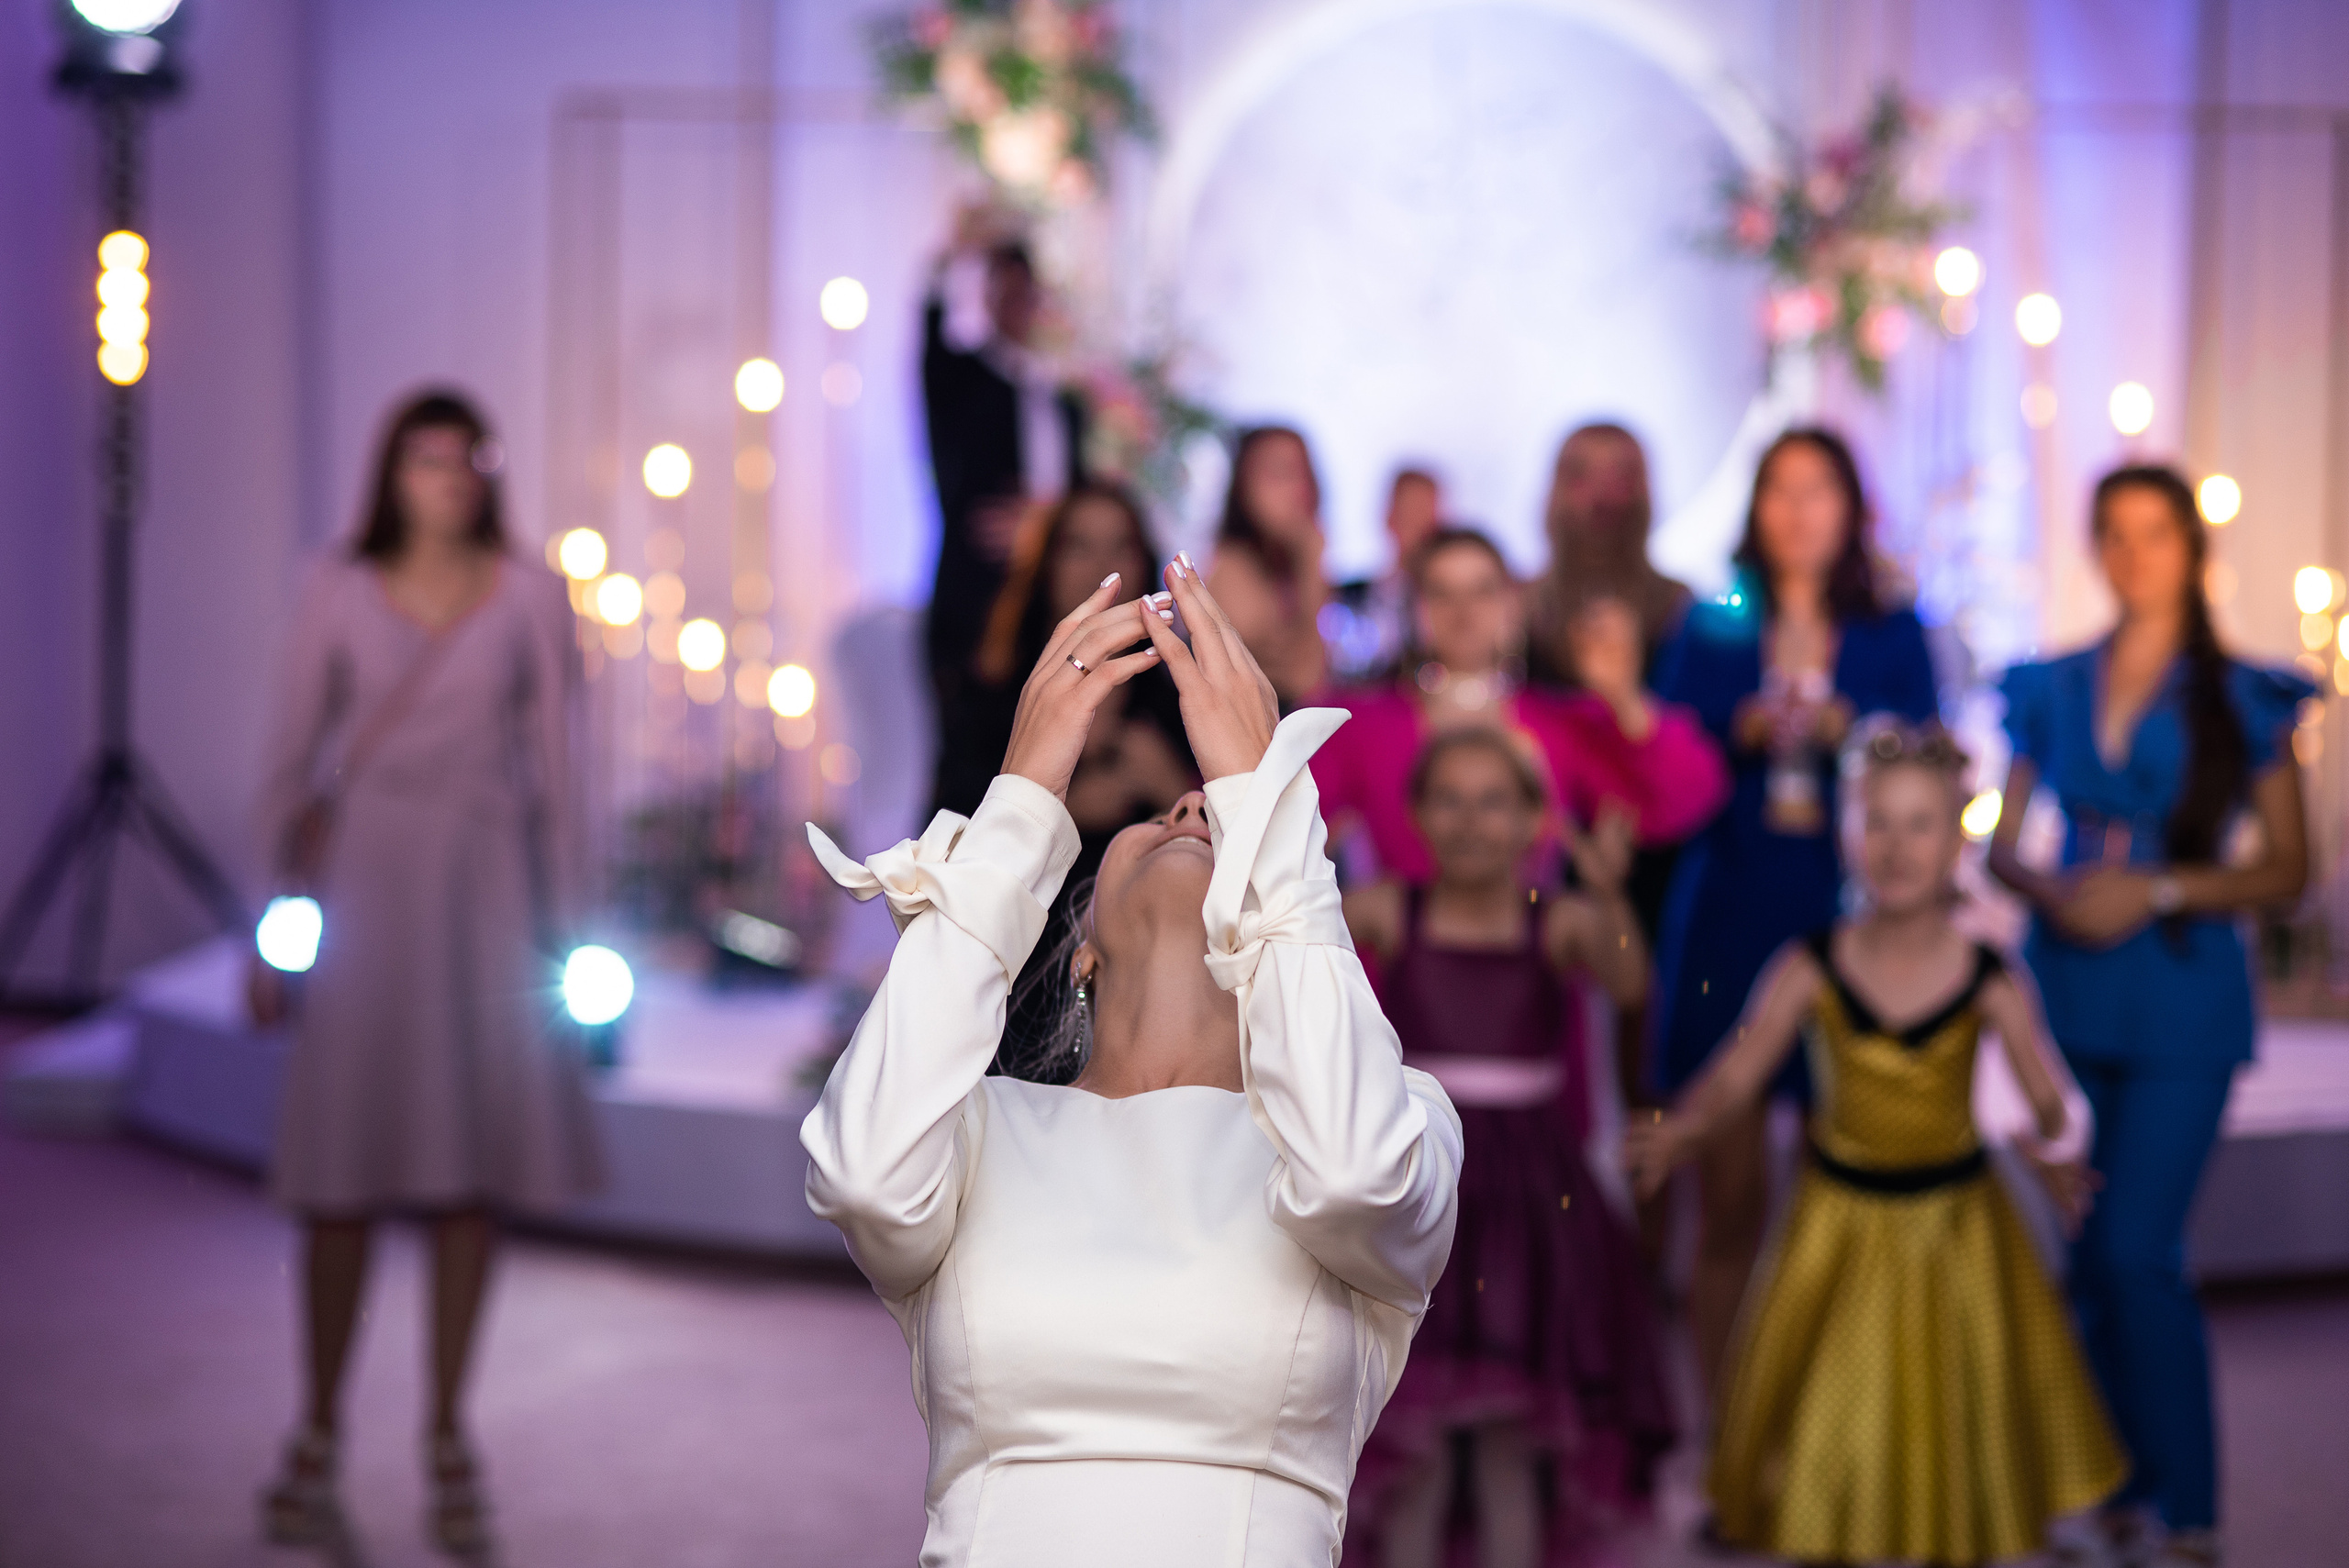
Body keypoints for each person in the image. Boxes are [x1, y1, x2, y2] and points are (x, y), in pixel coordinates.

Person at [799, 562, 1463, 1567]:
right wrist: (1017, 806)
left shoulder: (1393, 1117)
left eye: (1225, 819)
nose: (1195, 807)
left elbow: (1352, 1178)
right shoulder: (972, 1127)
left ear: (1284, 947)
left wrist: (1269, 803)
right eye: (1159, 814)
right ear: (1081, 946)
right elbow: (859, 1177)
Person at [1626, 721, 2126, 1568]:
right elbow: (1738, 1071)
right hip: (1839, 1230)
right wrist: (1684, 1129)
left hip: (1958, 1234)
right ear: (1847, 833)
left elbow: (2046, 1096)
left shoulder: (1989, 973)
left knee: (1955, 1425)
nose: (1895, 847)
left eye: (1919, 824)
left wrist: (2051, 1150)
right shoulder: (1812, 964)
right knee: (1836, 1420)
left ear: (1956, 836)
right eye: (1876, 823)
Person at [252, 391, 602, 1560]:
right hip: (367, 888)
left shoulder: (531, 590)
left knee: (469, 1174)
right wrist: (269, 929)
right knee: (338, 1175)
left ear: (489, 473)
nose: (446, 479)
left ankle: (449, 1429)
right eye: (424, 458)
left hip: (487, 892)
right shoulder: (336, 585)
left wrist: (573, 935)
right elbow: (289, 757)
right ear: (390, 471)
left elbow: (560, 772)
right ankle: (314, 1428)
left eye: (465, 459)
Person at [1988, 464, 2312, 1568]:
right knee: (2084, 1249)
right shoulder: (2050, 682)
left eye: (2154, 534)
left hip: (2180, 995)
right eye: (2113, 534)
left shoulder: (2242, 693)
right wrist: (2053, 893)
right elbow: (2003, 845)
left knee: (2138, 1248)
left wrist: (2158, 887)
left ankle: (2190, 1507)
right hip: (2067, 989)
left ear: (2190, 549)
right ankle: (2112, 1483)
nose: (2133, 555)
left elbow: (2287, 869)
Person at [1648, 425, 1939, 1401]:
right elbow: (1663, 767)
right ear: (1755, 507)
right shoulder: (1716, 621)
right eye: (1779, 489)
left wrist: (1849, 727)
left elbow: (1933, 766)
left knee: (1845, 1199)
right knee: (1726, 1192)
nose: (1799, 510)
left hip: (1853, 921)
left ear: (1852, 507)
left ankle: (1832, 1437)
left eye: (1820, 489)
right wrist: (1740, 727)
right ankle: (1726, 1442)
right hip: (1730, 915)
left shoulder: (1894, 629)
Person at [1344, 729, 1673, 1568]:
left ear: (1534, 819)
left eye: (1495, 802)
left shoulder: (1556, 920)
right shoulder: (1388, 908)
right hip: (1421, 1182)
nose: (1470, 822)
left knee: (1509, 1449)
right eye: (1448, 799)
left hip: (1530, 1200)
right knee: (1410, 1454)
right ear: (1415, 812)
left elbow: (1633, 982)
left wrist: (1610, 894)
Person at [1311, 527, 1726, 888]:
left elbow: (1686, 797)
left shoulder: (1556, 724)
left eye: (1482, 591)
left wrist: (1624, 698)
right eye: (1442, 593)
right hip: (1396, 964)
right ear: (1417, 609)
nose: (1463, 612)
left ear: (1511, 606)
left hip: (1533, 962)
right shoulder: (1361, 728)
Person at [957, 482, 1201, 1073]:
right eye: (1078, 545)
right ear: (1045, 563)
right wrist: (1054, 806)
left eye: (1120, 544)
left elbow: (1225, 844)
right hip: (1016, 954)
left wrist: (1160, 779)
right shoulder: (997, 690)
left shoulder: (1180, 691)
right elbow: (948, 840)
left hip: (1154, 971)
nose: (1103, 565)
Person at [920, 236, 1086, 807]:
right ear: (986, 297)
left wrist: (1044, 525)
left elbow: (1077, 489)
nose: (1016, 304)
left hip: (1052, 600)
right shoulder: (960, 380)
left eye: (1025, 292)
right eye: (1003, 292)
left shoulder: (1063, 399)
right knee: (970, 769)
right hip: (976, 601)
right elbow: (930, 338)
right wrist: (953, 251)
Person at [1525, 423, 1692, 689]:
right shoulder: (1520, 609)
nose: (1602, 496)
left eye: (1620, 477)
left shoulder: (1679, 608)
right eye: (1582, 476)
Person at [1207, 424, 1332, 706]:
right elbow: (1305, 683)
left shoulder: (1285, 567)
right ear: (1243, 486)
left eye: (1305, 472)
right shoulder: (1231, 569)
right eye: (1280, 473)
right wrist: (1312, 566)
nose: (1299, 488)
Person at [1326, 466, 1444, 684]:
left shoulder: (1452, 606)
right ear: (1389, 517)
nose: (1421, 528)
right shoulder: (1348, 600)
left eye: (1429, 514)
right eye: (1410, 513)